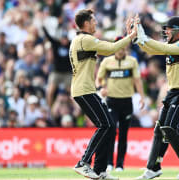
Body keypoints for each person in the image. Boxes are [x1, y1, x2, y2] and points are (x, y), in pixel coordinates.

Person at [70, 9, 137, 180]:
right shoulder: (85, 39)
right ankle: (83, 163)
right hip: (83, 90)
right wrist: (130, 36)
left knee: (109, 126)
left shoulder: (81, 40)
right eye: (93, 21)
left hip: (86, 90)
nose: (96, 23)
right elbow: (111, 49)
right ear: (85, 24)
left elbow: (109, 48)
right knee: (105, 125)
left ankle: (99, 171)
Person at [130, 16, 179, 179]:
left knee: (170, 128)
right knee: (159, 129)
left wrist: (143, 36)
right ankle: (153, 168)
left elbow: (157, 46)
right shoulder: (170, 46)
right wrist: (136, 37)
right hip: (173, 93)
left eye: (169, 29)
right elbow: (151, 49)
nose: (166, 31)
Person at [96, 36, 145, 172]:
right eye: (119, 47)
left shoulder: (132, 61)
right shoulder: (107, 62)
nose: (121, 50)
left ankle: (120, 165)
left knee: (123, 134)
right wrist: (101, 88)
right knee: (111, 131)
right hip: (111, 101)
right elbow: (98, 79)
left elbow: (137, 80)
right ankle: (109, 162)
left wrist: (141, 97)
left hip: (126, 101)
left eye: (124, 47)